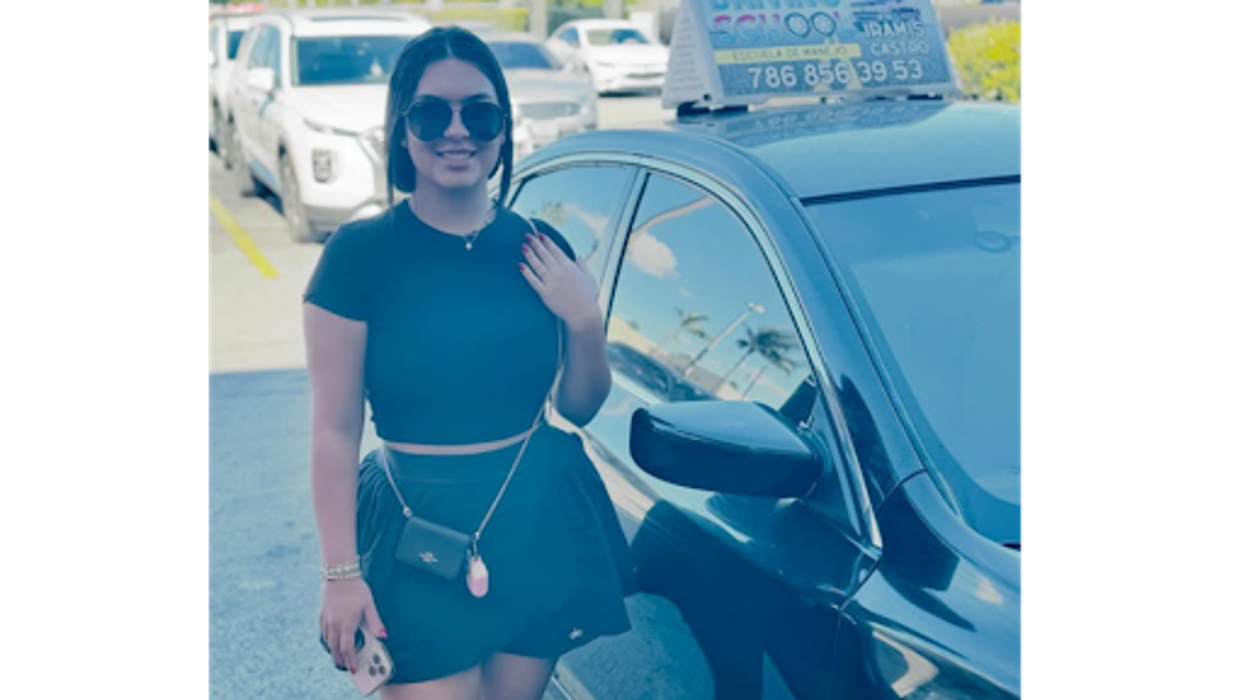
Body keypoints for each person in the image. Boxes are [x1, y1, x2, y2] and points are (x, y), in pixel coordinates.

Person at [302, 26, 633, 700]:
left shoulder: (540, 247)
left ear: (504, 130)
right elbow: (333, 429)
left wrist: (585, 320)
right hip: (413, 522)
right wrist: (340, 574)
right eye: (432, 113)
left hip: (533, 514)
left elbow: (578, 406)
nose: (457, 132)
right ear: (401, 130)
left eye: (479, 113)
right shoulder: (358, 257)